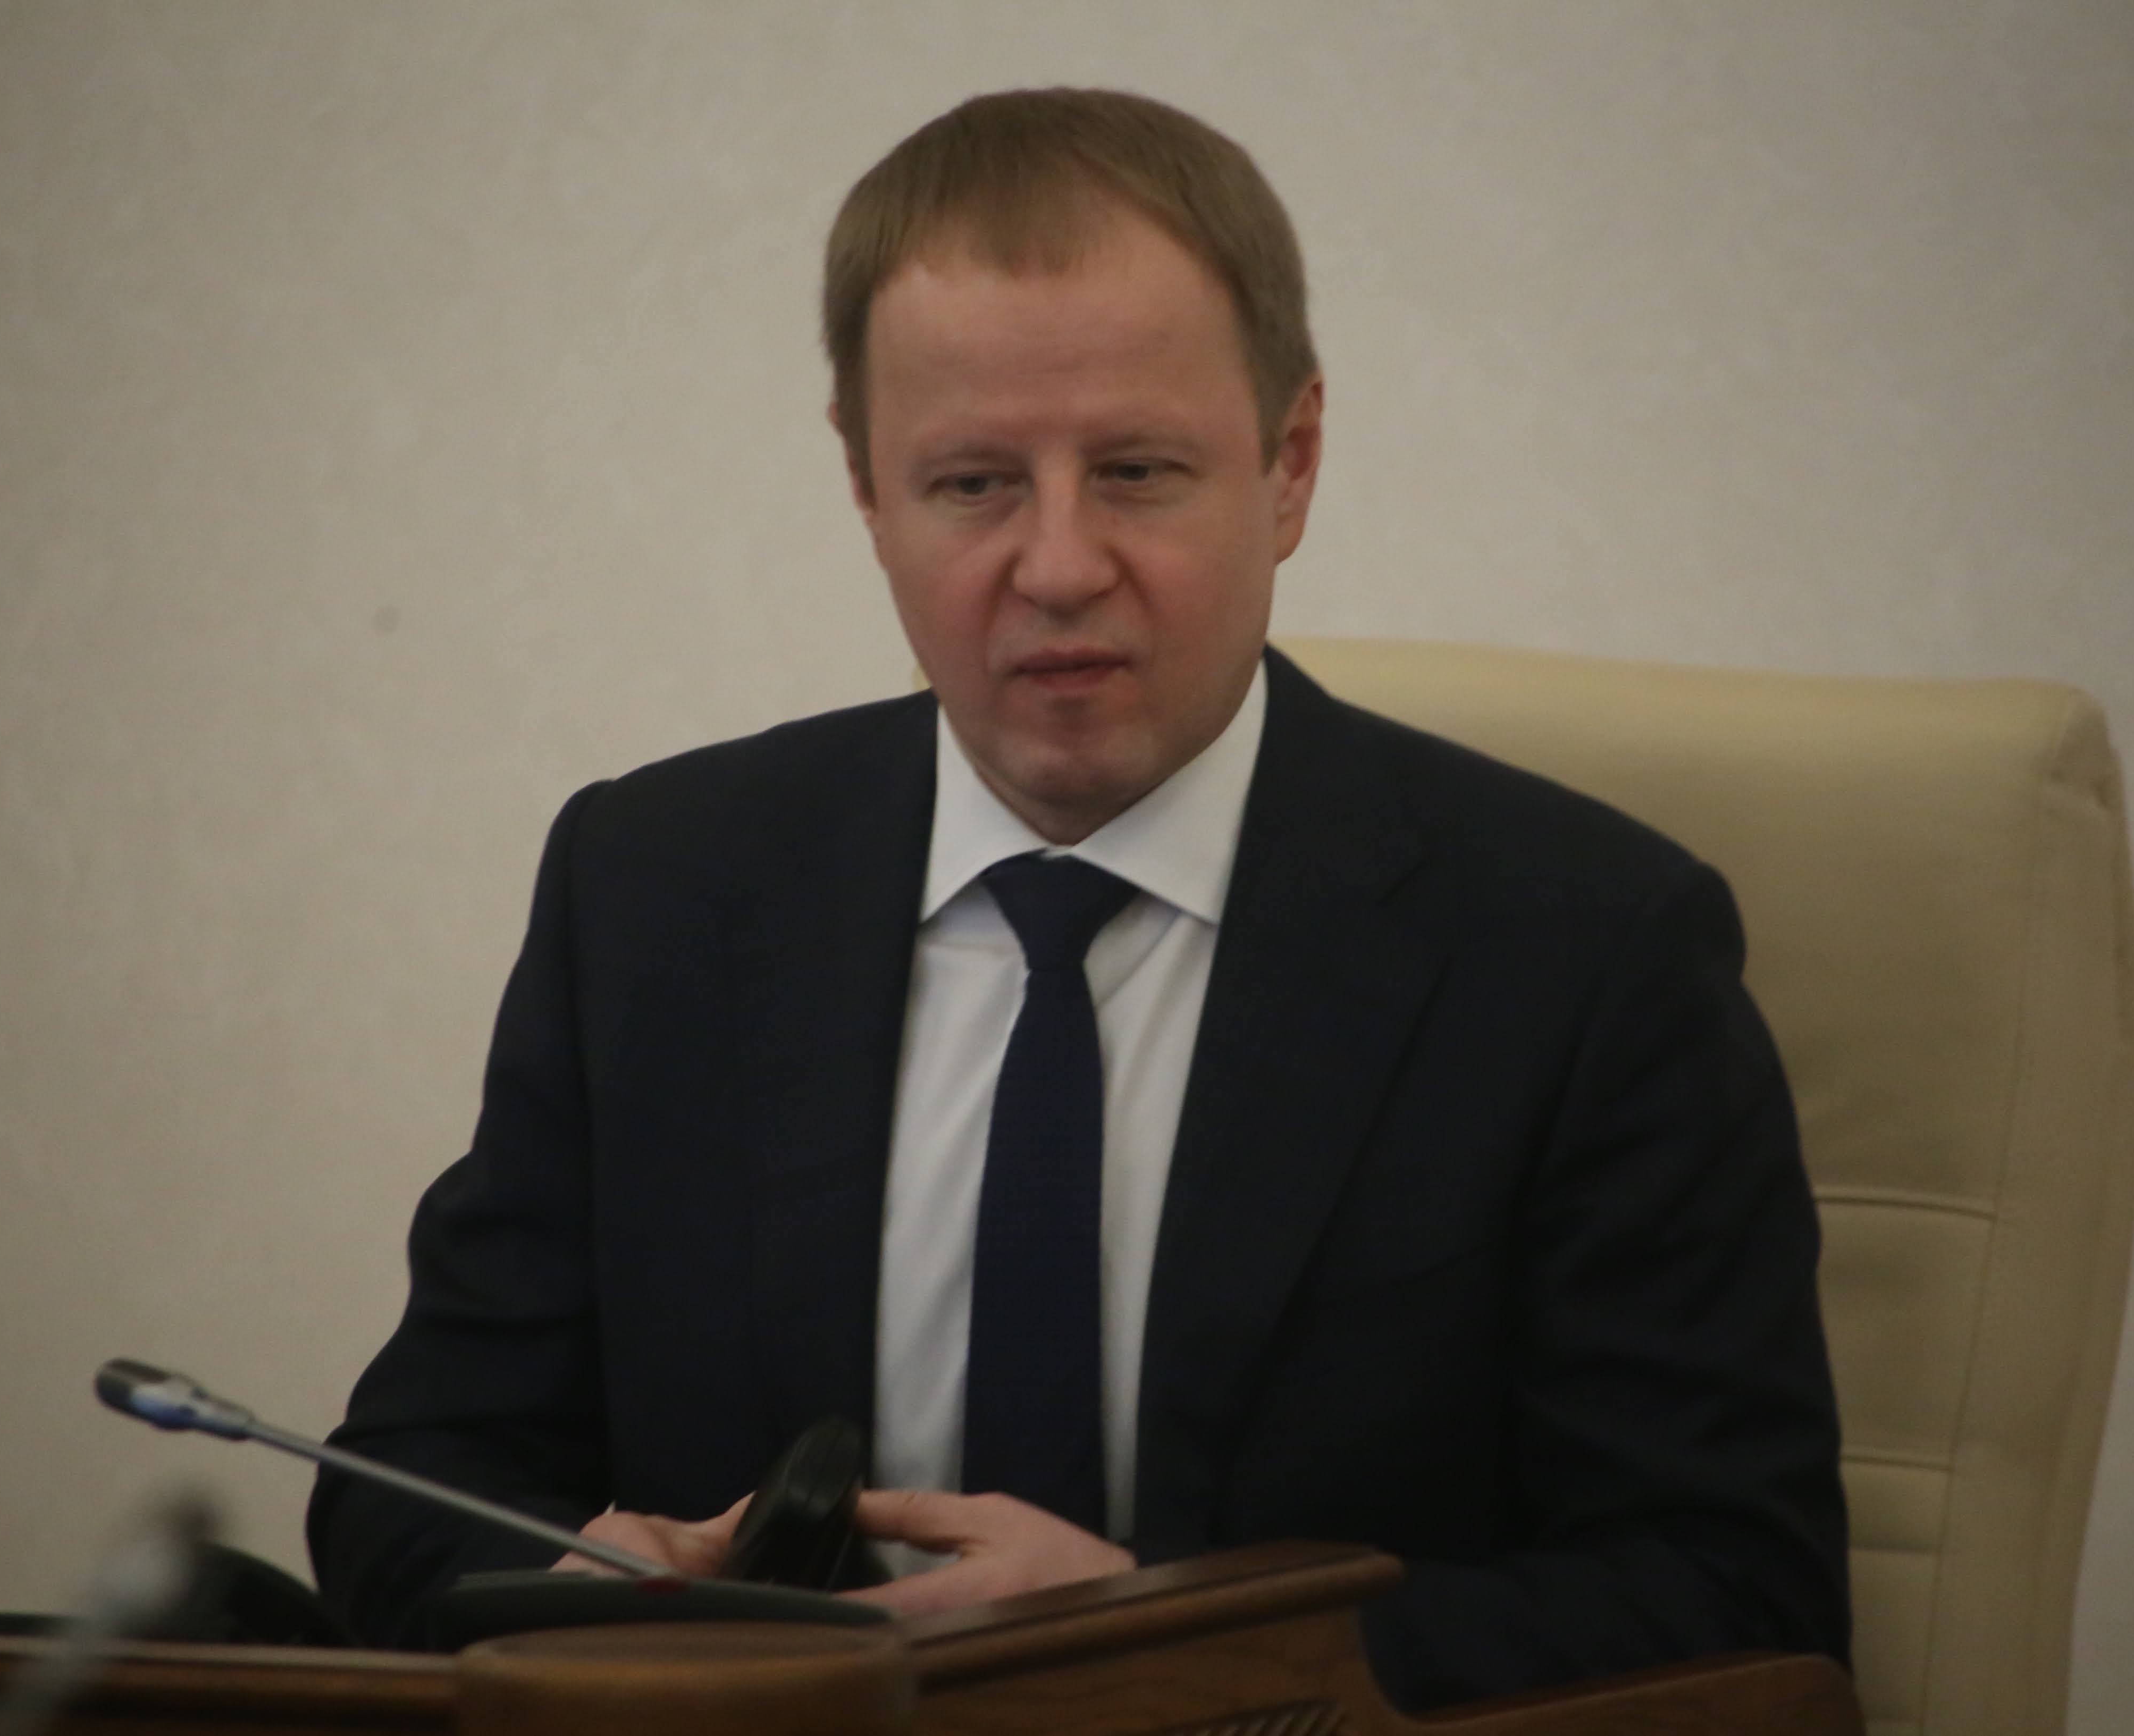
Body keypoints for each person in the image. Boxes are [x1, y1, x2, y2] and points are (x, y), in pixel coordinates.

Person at [307, 88, 1847, 1708]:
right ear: (867, 490)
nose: (1055, 565)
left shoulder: (1584, 948)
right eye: (973, 482)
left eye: (1134, 470)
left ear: (1290, 465)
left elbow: (1736, 1593)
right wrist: (567, 1589)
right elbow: (406, 1485)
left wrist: (1160, 1640)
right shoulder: (655, 890)